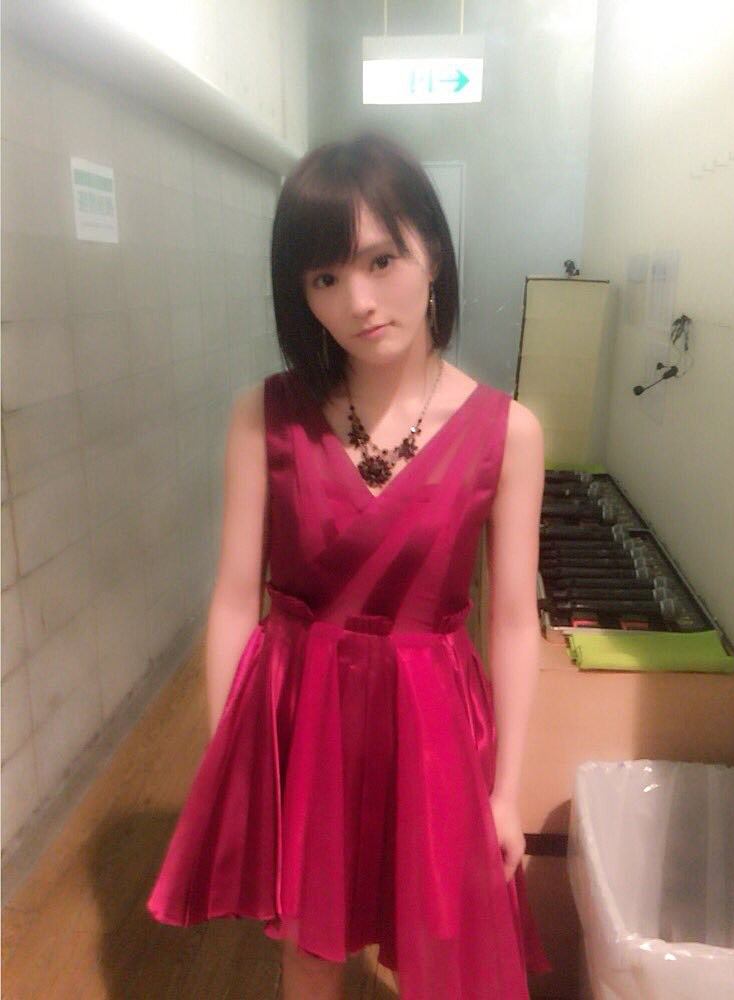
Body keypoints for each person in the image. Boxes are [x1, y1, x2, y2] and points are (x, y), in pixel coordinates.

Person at [146, 131, 551, 998]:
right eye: (324, 278)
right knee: (309, 949)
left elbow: (514, 621)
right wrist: (233, 757)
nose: (358, 301)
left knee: (438, 943)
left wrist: (506, 790)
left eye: (380, 260)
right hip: (302, 710)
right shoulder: (265, 414)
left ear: (430, 249)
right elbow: (233, 599)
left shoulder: (508, 432)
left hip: (433, 720)